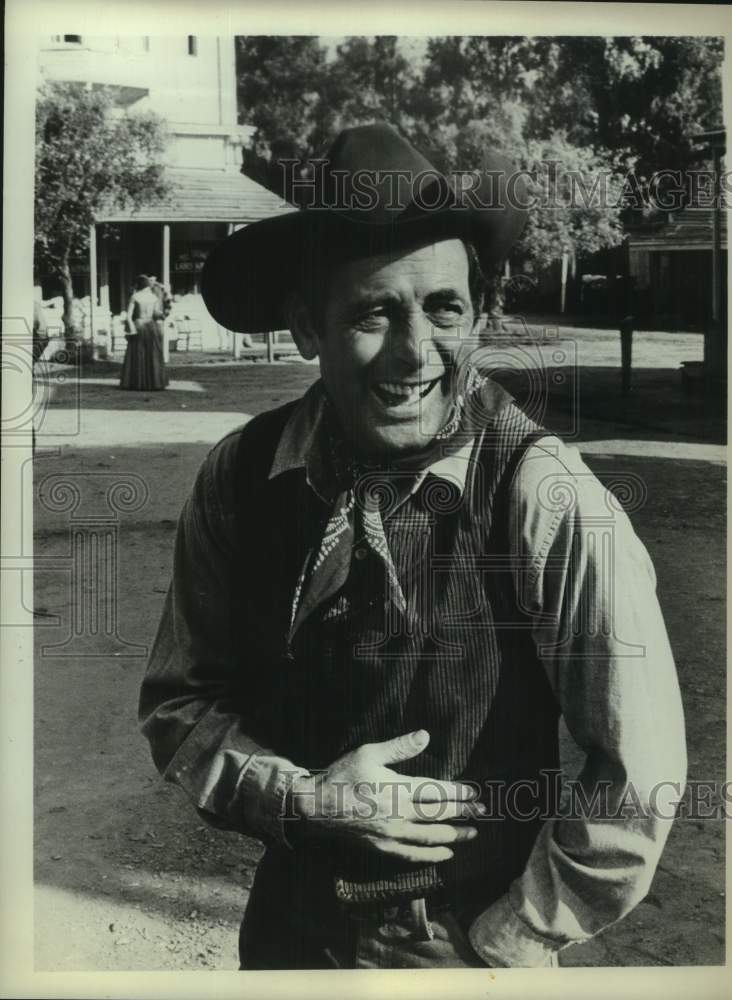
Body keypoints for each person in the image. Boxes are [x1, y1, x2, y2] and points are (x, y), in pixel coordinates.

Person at [139, 124, 686, 969]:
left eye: (444, 308)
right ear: (304, 328)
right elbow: (180, 704)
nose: (414, 352)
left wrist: (510, 939)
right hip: (286, 936)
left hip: (461, 944)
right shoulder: (243, 478)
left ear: (478, 314)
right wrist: (301, 802)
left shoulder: (542, 492)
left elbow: (639, 766)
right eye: (372, 312)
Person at [120, 274, 169, 391]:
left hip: (139, 325)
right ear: (147, 285)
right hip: (152, 326)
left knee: (138, 353)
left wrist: (131, 329)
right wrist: (164, 314)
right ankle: (154, 382)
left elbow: (128, 316)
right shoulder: (154, 297)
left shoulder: (135, 296)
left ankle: (136, 382)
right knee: (153, 354)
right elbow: (157, 314)